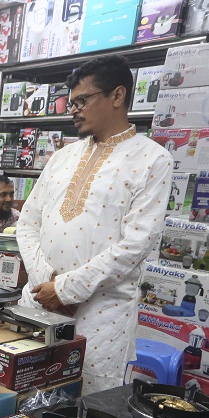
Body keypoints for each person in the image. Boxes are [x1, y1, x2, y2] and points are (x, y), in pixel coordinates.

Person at [15, 56, 173, 394]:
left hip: (102, 315)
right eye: (71, 102)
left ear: (117, 96)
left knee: (85, 411)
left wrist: (68, 289)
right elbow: (27, 222)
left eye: (82, 100)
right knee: (24, 399)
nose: (74, 109)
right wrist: (48, 283)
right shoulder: (62, 156)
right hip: (41, 302)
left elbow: (136, 245)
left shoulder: (153, 160)